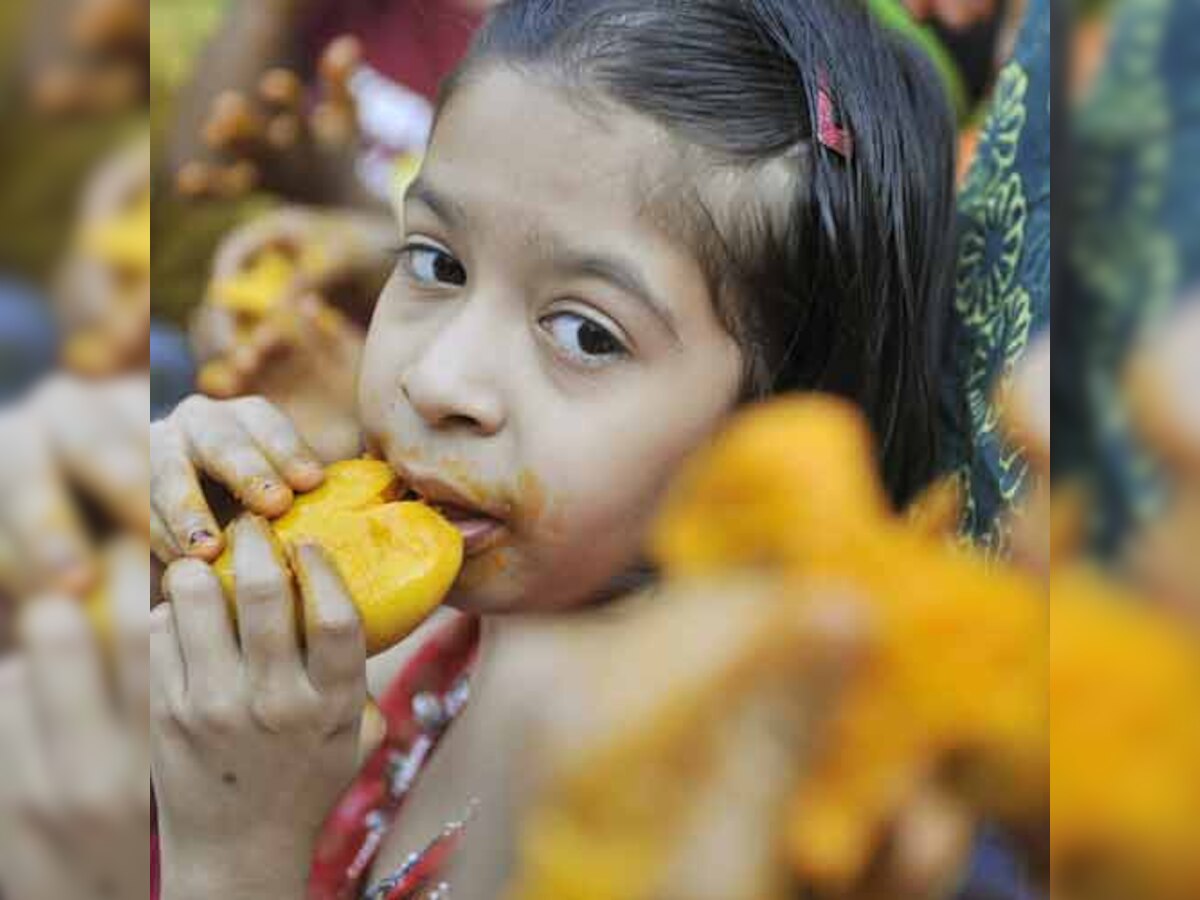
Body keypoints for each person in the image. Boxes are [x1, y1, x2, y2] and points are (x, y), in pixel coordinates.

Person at [144, 2, 962, 898]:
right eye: (437, 264)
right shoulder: (443, 635)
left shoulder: (657, 840)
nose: (438, 380)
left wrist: (232, 852)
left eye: (585, 333)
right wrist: (192, 599)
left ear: (773, 438)